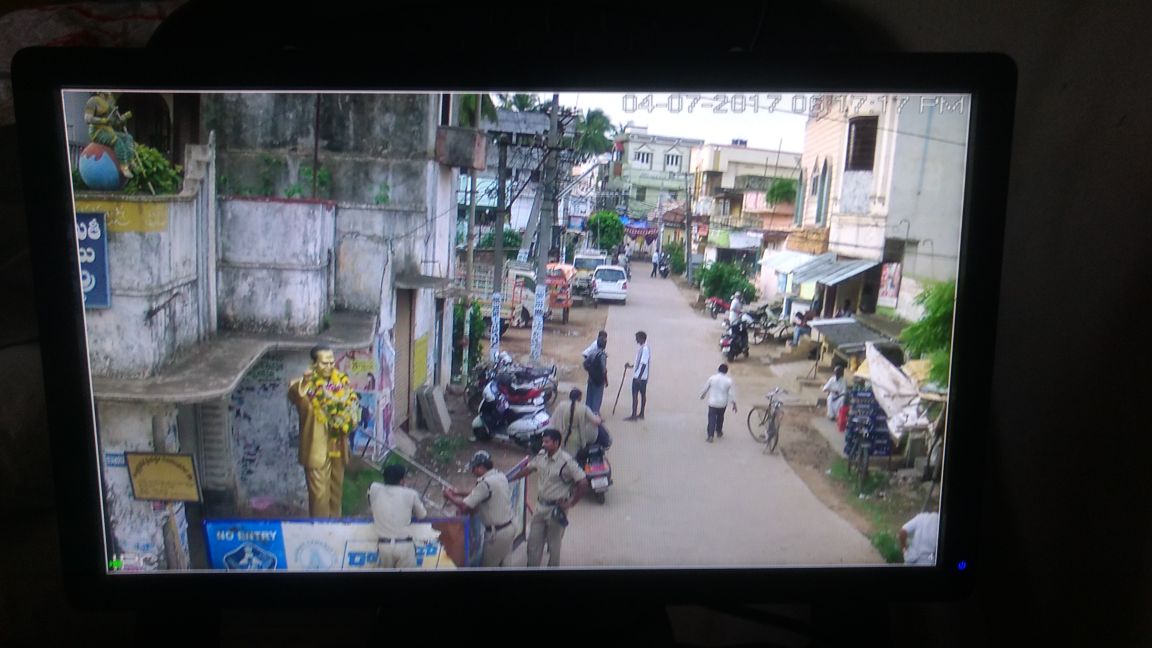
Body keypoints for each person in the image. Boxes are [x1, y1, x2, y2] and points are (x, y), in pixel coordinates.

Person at [288, 345, 361, 518]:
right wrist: (306, 382)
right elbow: (295, 395)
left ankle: (335, 529)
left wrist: (351, 419)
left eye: (331, 363)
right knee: (319, 496)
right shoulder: (301, 386)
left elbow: (351, 408)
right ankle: (320, 530)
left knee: (336, 494)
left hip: (337, 445)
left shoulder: (340, 385)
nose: (329, 367)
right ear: (313, 364)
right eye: (324, 363)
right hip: (316, 449)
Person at [514, 429, 589, 567]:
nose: (543, 444)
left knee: (554, 546)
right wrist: (509, 478)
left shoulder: (566, 462)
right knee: (533, 544)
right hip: (540, 507)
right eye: (543, 441)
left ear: (556, 443)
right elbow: (530, 469)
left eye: (547, 442)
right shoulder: (542, 456)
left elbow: (583, 483)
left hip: (556, 510)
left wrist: (571, 503)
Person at [442, 451, 516, 567]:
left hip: (496, 534)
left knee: (487, 567)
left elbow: (464, 506)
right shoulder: (499, 476)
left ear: (481, 467)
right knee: (505, 564)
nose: (472, 471)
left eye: (474, 468)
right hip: (509, 528)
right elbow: (479, 493)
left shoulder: (485, 483)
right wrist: (458, 493)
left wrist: (449, 497)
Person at [368, 464, 427, 568]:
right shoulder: (411, 494)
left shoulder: (375, 489)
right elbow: (422, 515)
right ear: (402, 480)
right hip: (404, 545)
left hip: (384, 546)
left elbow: (371, 489)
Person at [84, 91, 136, 179]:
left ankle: (130, 160)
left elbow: (115, 123)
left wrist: (124, 117)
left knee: (128, 137)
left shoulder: (110, 103)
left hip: (109, 130)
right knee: (116, 140)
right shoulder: (93, 101)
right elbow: (87, 119)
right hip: (97, 131)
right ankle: (124, 167)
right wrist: (102, 121)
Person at [552, 388, 603, 463]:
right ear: (580, 398)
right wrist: (600, 419)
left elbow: (553, 419)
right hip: (576, 437)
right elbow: (596, 421)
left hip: (563, 434)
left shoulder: (561, 405)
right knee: (573, 459)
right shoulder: (584, 408)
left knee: (563, 456)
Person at [699, 363, 738, 443]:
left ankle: (710, 435)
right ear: (726, 371)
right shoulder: (728, 381)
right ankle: (719, 431)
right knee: (720, 417)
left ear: (718, 370)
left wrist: (702, 395)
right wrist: (734, 404)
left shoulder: (712, 378)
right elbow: (731, 393)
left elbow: (706, 388)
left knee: (711, 418)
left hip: (712, 402)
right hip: (722, 403)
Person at [623, 331, 651, 421]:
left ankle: (634, 415)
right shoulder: (641, 348)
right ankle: (641, 414)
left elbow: (643, 364)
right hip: (642, 377)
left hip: (639, 378)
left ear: (642, 338)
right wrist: (630, 366)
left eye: (637, 338)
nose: (636, 340)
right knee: (642, 394)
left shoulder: (645, 349)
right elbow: (638, 363)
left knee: (635, 395)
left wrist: (638, 377)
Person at [582, 330, 609, 414]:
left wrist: (590, 371)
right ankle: (594, 415)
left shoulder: (592, 353)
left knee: (589, 396)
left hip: (591, 378)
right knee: (597, 397)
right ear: (604, 345)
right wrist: (606, 380)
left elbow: (585, 364)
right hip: (599, 380)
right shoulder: (602, 355)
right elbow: (604, 370)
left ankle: (587, 413)